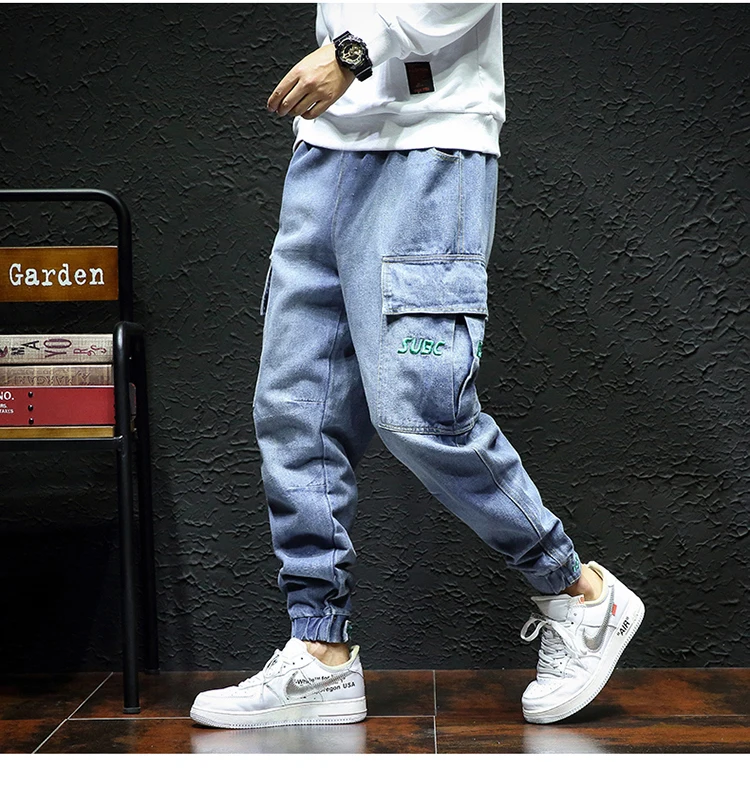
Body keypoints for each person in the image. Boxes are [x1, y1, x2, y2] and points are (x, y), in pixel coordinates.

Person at [190, 3, 644, 730]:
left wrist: (352, 51)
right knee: (294, 411)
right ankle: (321, 650)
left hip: (431, 147)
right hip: (323, 151)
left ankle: (579, 593)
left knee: (420, 409)